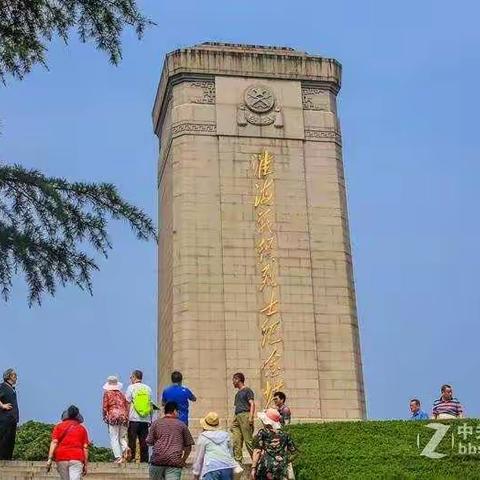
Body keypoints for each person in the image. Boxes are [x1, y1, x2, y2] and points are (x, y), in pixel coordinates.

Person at [146, 401, 194, 480]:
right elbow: (188, 446)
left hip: (157, 460)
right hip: (174, 462)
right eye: (178, 411)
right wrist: (183, 460)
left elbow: (149, 442)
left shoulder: (156, 423)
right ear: (175, 411)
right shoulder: (182, 425)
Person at [251, 408, 297, 480]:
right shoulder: (285, 434)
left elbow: (257, 451)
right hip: (281, 469)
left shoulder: (263, 433)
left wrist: (253, 468)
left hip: (266, 468)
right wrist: (285, 460)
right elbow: (294, 452)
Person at [46, 405, 89, 480]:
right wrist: (85, 464)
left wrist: (50, 458)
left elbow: (54, 442)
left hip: (61, 457)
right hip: (77, 457)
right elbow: (85, 447)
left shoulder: (58, 427)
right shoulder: (82, 429)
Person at [192, 411, 238, 480]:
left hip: (211, 467)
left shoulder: (203, 437)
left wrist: (196, 473)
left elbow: (199, 457)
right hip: (227, 466)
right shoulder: (225, 435)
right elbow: (230, 453)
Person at [125, 369, 153, 463]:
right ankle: (145, 461)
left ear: (134, 377)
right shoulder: (148, 388)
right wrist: (150, 419)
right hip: (145, 419)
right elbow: (150, 405)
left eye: (131, 377)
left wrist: (126, 417)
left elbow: (127, 403)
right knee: (144, 441)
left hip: (134, 418)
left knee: (132, 440)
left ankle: (131, 459)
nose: (130, 379)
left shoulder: (131, 388)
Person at [102, 375, 129, 463]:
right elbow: (126, 406)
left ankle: (118, 457)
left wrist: (105, 417)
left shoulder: (107, 393)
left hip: (113, 416)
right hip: (124, 416)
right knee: (122, 437)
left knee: (114, 437)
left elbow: (105, 407)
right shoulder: (121, 394)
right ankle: (126, 448)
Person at [231, 372, 255, 464]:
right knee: (237, 441)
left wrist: (251, 417)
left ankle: (257, 462)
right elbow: (237, 408)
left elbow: (252, 403)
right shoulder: (237, 394)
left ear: (238, 379)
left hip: (245, 415)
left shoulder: (247, 390)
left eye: (233, 380)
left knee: (248, 441)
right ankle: (238, 462)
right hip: (237, 417)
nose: (233, 382)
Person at [0, 368, 19, 460]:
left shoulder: (11, 388)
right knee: (4, 439)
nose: (16, 378)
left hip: (12, 419)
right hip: (4, 418)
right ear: (9, 376)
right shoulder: (2, 386)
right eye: (14, 375)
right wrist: (2, 405)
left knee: (10, 440)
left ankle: (7, 459)